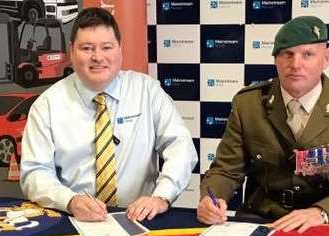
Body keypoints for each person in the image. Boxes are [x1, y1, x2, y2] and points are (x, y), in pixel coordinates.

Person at [198, 16, 329, 232]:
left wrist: (322, 213)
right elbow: (225, 170)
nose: (295, 64)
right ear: (276, 59)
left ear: (326, 58)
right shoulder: (248, 105)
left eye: (307, 54)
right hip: (265, 220)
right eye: (287, 54)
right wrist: (211, 198)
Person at [20, 8, 197, 222]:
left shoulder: (147, 91)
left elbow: (181, 146)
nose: (98, 57)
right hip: (73, 221)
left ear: (120, 49)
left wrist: (161, 197)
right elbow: (35, 172)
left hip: (140, 218)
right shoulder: (47, 105)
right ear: (71, 51)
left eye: (107, 47)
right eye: (87, 48)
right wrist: (70, 201)